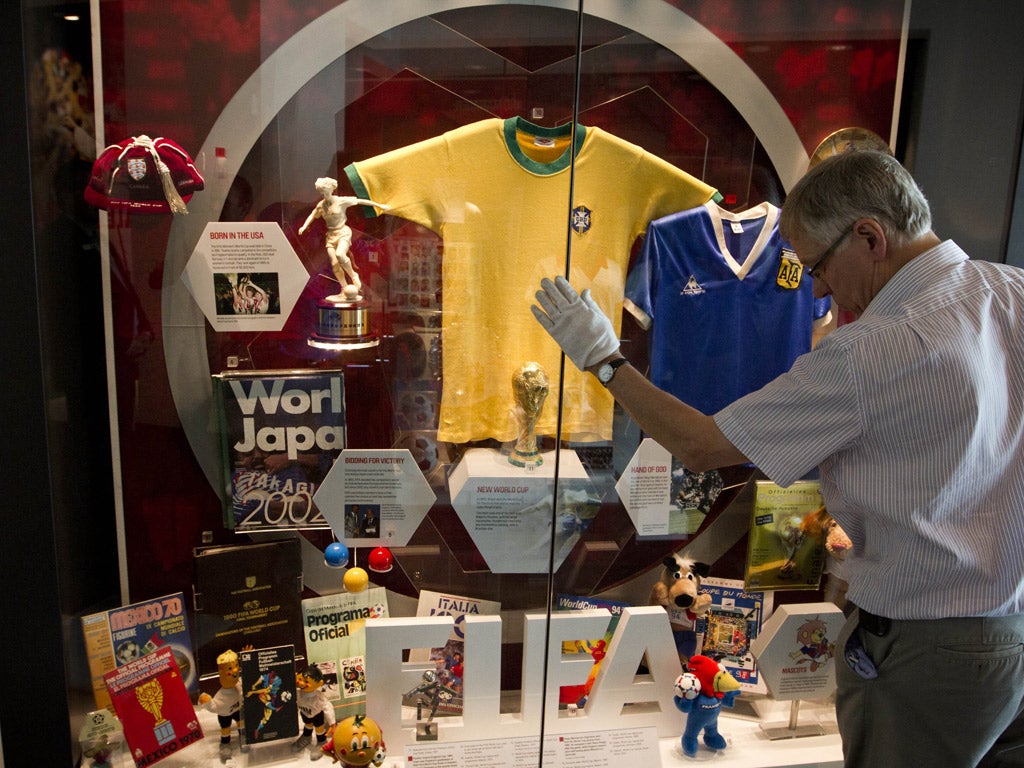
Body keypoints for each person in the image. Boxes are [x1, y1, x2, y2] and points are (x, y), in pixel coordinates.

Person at [531, 150, 1024, 767]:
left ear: (869, 236)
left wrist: (605, 359)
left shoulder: (870, 351)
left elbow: (702, 446)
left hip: (928, 650)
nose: (814, 288)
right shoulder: (1014, 292)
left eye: (815, 266)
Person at [298, 177, 390, 300]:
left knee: (340, 254)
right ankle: (344, 288)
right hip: (330, 236)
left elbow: (360, 201)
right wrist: (304, 226)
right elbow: (313, 215)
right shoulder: (321, 205)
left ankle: (354, 276)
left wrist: (379, 205)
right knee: (334, 263)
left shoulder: (341, 201)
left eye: (324, 190)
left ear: (331, 189)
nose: (322, 194)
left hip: (343, 233)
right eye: (321, 191)